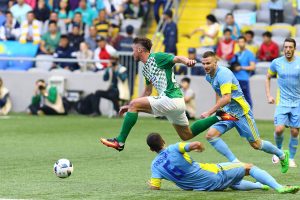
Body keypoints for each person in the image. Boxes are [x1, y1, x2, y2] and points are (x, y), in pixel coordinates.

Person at [100, 37, 238, 152]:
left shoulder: (156, 57)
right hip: (175, 102)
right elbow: (147, 92)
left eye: (133, 50)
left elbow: (176, 58)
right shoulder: (146, 69)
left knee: (135, 105)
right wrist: (131, 105)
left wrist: (187, 61)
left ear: (139, 50)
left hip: (170, 98)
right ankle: (219, 116)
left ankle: (120, 141)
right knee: (186, 134)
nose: (132, 53)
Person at [200, 51, 289, 173]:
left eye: (208, 63)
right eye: (203, 64)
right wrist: (219, 109)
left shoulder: (224, 74)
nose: (205, 66)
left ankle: (282, 155)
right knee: (211, 135)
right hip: (228, 112)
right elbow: (219, 91)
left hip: (241, 113)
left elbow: (227, 98)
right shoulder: (208, 76)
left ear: (216, 62)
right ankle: (236, 163)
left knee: (256, 144)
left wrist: (209, 112)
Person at [147, 132, 300, 193]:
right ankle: (279, 188)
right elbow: (193, 144)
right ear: (163, 141)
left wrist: (151, 184)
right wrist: (198, 146)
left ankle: (260, 185)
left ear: (151, 149)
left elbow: (155, 187)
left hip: (202, 188)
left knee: (231, 181)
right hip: (212, 175)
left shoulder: (155, 166)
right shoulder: (174, 148)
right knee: (249, 167)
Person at [265, 38, 300, 168]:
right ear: (283, 49)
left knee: (295, 132)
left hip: (297, 103)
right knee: (279, 130)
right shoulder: (276, 63)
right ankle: (278, 152)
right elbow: (267, 77)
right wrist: (269, 95)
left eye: (290, 47)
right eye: (285, 47)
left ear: (294, 49)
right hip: (282, 102)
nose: (288, 50)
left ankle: (290, 158)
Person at [230, 36, 256, 108]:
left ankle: (250, 117)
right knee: (234, 99)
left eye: (242, 42)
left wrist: (241, 67)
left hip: (244, 79)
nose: (240, 43)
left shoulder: (249, 54)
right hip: (235, 79)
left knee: (246, 99)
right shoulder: (236, 54)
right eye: (239, 42)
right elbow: (232, 66)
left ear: (245, 43)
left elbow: (252, 67)